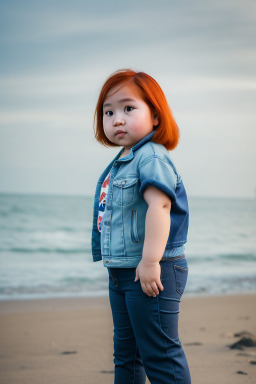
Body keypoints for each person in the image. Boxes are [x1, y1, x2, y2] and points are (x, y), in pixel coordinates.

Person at [91, 68, 191, 384]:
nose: (117, 119)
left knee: (159, 354)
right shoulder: (124, 159)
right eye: (109, 112)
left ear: (156, 116)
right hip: (122, 271)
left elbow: (160, 207)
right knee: (126, 355)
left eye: (128, 108)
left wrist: (149, 262)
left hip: (151, 270)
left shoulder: (151, 157)